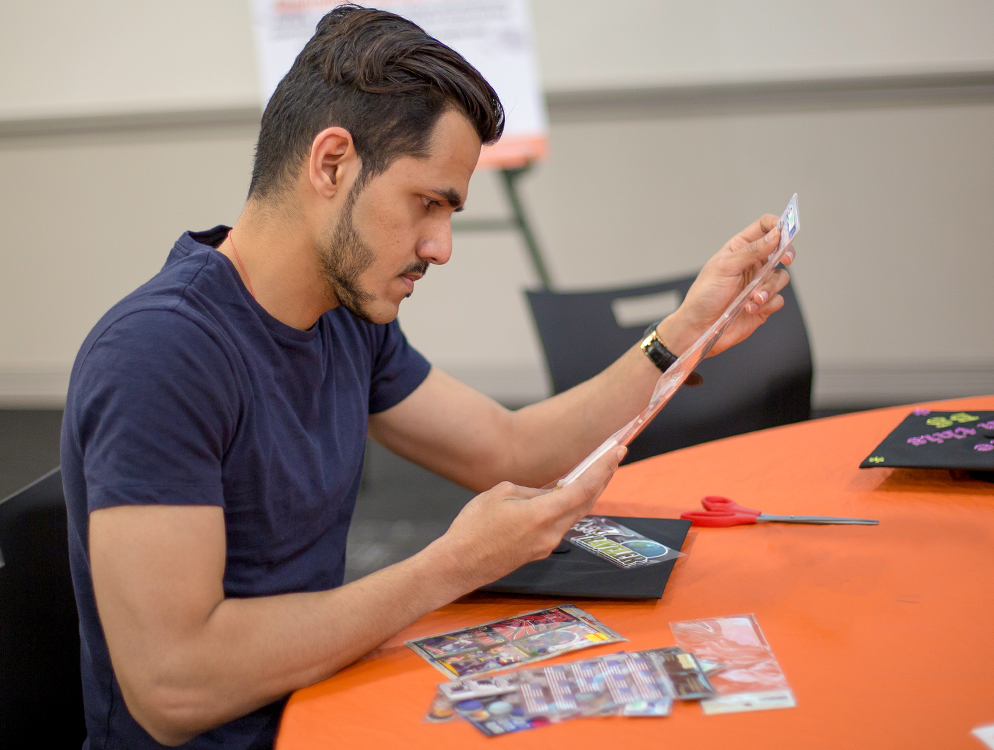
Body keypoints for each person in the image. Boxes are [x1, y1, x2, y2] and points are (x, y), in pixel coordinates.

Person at [61, 6, 795, 749]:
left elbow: (512, 450)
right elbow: (172, 687)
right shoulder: (160, 355)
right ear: (332, 163)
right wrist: (451, 565)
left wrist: (681, 334)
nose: (440, 247)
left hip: (326, 704)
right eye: (427, 204)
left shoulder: (345, 317)